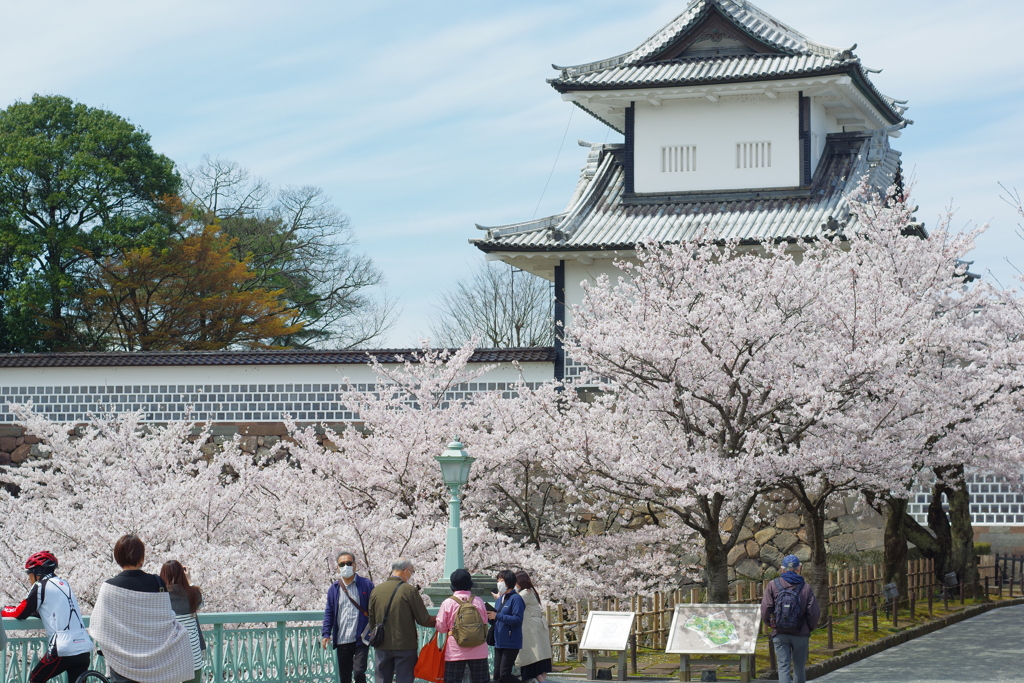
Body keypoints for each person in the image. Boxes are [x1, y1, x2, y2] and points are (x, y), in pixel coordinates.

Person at [88, 534, 194, 683]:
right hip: (158, 663)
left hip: (122, 662)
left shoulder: (109, 587)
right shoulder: (158, 583)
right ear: (141, 557)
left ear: (117, 557)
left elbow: (98, 625)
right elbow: (167, 619)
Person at [2, 551, 93, 683]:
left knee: (35, 678)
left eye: (29, 573)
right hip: (83, 647)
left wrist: (3, 610)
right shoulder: (64, 583)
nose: (28, 578)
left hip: (63, 648)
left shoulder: (40, 585)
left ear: (38, 573)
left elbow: (20, 612)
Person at [367, 558, 436, 683]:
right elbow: (424, 620)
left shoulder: (376, 590)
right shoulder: (409, 591)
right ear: (406, 570)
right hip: (405, 645)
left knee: (381, 679)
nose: (410, 575)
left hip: (382, 644)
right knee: (405, 679)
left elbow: (372, 619)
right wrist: (441, 620)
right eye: (412, 572)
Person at [759, 555, 821, 683]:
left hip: (780, 632)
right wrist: (808, 628)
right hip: (800, 633)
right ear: (799, 568)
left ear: (782, 569)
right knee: (799, 667)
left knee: (783, 667)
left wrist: (773, 624)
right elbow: (813, 613)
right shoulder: (805, 587)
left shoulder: (773, 585)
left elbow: (765, 609)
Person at [322, 551, 374, 683]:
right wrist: (326, 633)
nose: (346, 566)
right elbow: (329, 611)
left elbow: (375, 608)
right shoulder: (334, 589)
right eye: (342, 564)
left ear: (355, 565)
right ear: (338, 567)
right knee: (344, 677)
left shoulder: (366, 585)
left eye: (349, 563)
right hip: (342, 639)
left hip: (361, 638)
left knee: (359, 672)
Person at [434, 569, 489, 683]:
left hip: (456, 650)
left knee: (452, 680)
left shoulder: (448, 603)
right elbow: (484, 622)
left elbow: (441, 627)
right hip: (479, 648)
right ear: (469, 585)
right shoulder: (479, 601)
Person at [160, 560, 205, 683]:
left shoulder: (160, 596)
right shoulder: (192, 593)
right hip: (193, 654)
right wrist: (189, 580)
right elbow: (201, 604)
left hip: (169, 654)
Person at [486, 569, 524, 683]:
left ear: (508, 582)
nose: (499, 583)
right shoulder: (499, 600)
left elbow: (518, 619)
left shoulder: (516, 598)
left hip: (511, 641)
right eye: (498, 580)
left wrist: (497, 616)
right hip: (499, 641)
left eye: (501, 580)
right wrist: (490, 617)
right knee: (497, 676)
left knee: (504, 674)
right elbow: (497, 619)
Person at [514, 572, 552, 683]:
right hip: (537, 628)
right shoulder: (531, 591)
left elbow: (514, 601)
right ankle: (542, 680)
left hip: (532, 630)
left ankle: (542, 681)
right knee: (541, 657)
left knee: (532, 657)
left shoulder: (525, 593)